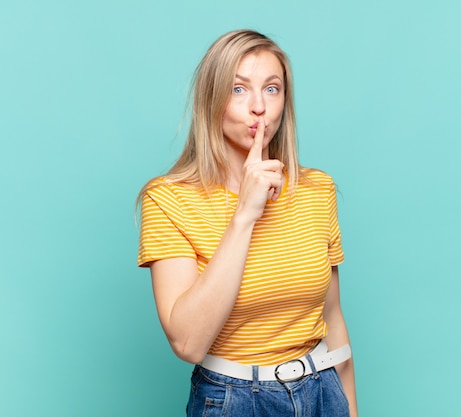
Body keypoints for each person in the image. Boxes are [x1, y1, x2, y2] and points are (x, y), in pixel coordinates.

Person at [137, 29, 358, 417]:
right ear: (212, 100)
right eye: (239, 89)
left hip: (323, 391)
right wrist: (245, 214)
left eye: (272, 89)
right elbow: (187, 343)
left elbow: (333, 318)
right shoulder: (168, 198)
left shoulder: (316, 189)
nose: (259, 106)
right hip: (234, 400)